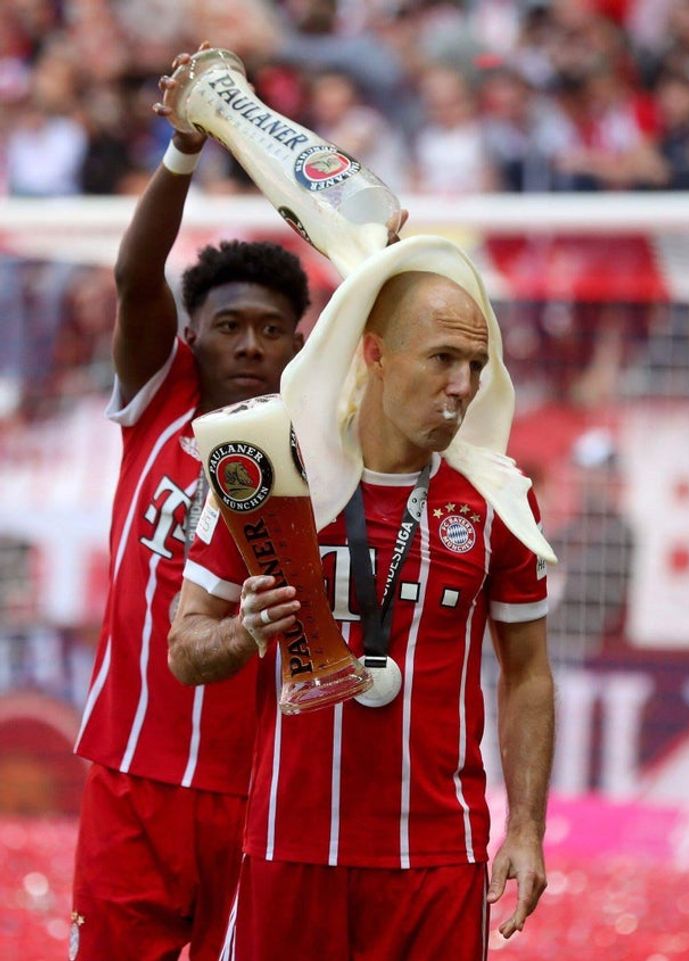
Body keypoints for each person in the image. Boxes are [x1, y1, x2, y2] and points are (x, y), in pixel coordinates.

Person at [168, 243, 556, 960]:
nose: (463, 384)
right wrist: (248, 629)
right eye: (442, 358)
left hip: (438, 855)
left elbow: (528, 672)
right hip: (291, 846)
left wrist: (527, 828)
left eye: (476, 365)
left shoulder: (501, 499)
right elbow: (186, 649)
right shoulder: (269, 471)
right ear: (375, 353)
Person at [70, 46, 310, 961]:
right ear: (194, 337)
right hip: (133, 770)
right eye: (227, 326)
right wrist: (181, 150)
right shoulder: (159, 403)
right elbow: (136, 279)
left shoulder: (315, 449)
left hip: (259, 782)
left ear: (298, 342)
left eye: (271, 328)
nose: (249, 344)